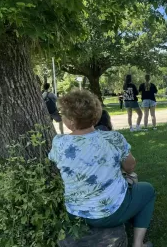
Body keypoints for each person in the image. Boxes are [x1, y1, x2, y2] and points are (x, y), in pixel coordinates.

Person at [48, 89, 154, 247]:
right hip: (111, 213)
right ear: (95, 114)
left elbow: (59, 164)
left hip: (76, 213)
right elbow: (130, 167)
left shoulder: (59, 143)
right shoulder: (113, 138)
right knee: (148, 190)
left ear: (70, 120)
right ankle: (138, 244)